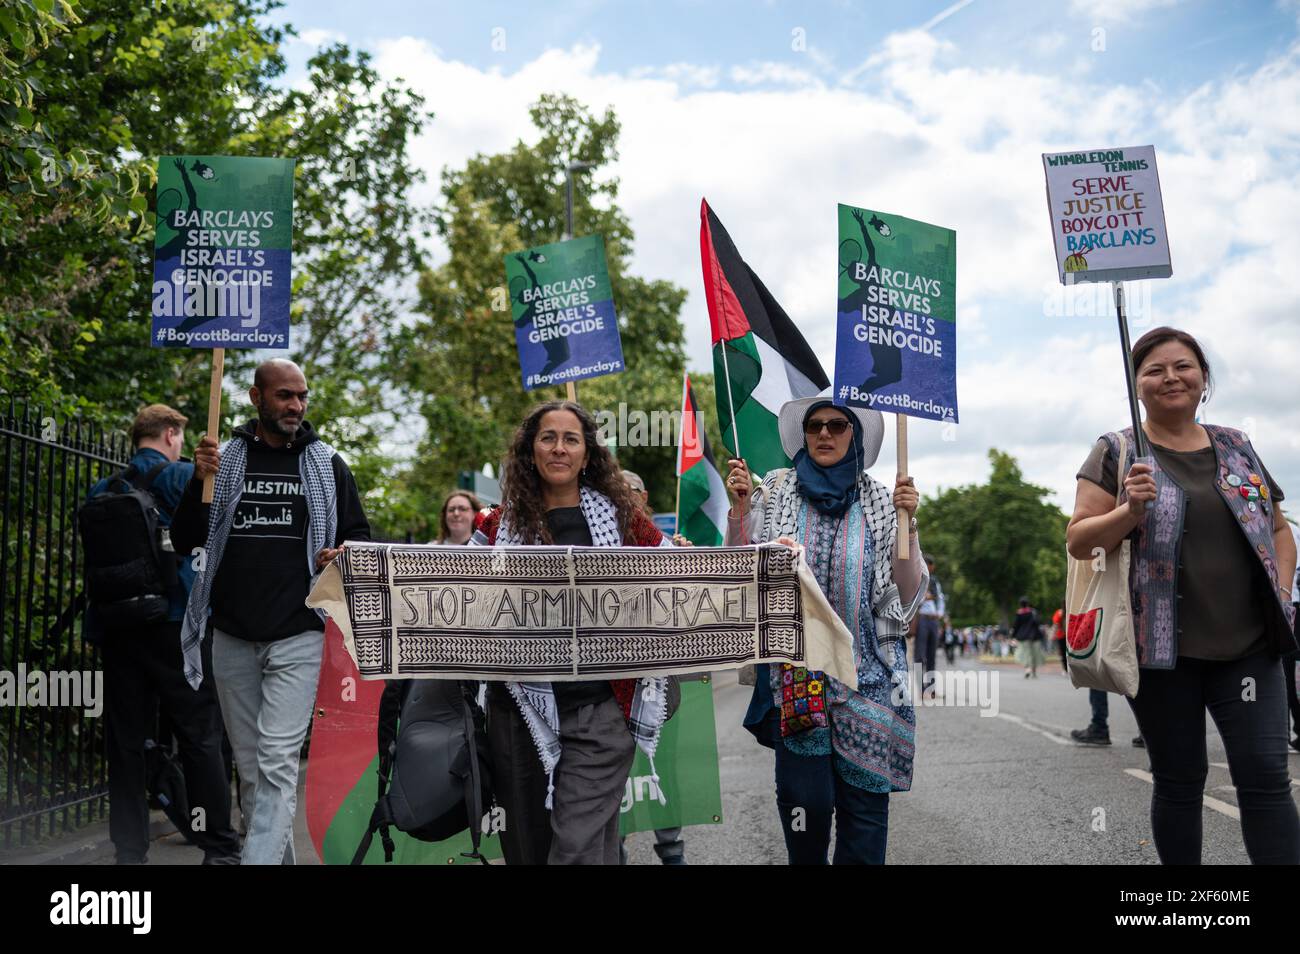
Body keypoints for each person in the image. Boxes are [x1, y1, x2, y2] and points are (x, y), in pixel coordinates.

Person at [1066, 326, 1298, 864]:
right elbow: (1079, 540)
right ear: (1136, 384)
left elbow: (1280, 531)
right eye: (1154, 369)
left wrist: (1282, 591)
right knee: (1179, 781)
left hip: (1251, 646)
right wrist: (1129, 511)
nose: (1170, 377)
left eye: (1183, 366)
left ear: (1203, 378)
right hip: (1159, 654)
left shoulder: (1238, 445)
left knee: (1266, 779)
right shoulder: (1117, 450)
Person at [172, 359, 371, 864]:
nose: (296, 406)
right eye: (284, 395)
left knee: (278, 762)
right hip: (232, 636)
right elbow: (186, 540)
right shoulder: (225, 459)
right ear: (256, 397)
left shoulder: (326, 464)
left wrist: (340, 554)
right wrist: (200, 483)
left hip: (298, 634)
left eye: (301, 396)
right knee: (252, 768)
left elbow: (359, 540)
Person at [725, 392, 927, 864]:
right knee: (806, 808)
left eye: (838, 426)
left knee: (865, 815)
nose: (824, 434)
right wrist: (739, 511)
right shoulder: (775, 490)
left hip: (868, 682)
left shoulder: (881, 498)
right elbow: (740, 566)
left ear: (853, 436)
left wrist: (908, 524)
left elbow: (906, 590)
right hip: (797, 678)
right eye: (816, 425)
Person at [472, 401, 674, 865]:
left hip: (603, 710)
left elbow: (690, 573)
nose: (558, 448)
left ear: (588, 454)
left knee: (575, 848)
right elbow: (444, 585)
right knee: (544, 849)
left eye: (571, 439)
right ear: (530, 450)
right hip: (523, 712)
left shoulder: (625, 521)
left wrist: (764, 551)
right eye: (548, 437)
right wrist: (354, 565)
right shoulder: (497, 525)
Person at [87, 404, 240, 865]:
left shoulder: (102, 489)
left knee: (127, 745)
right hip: (176, 625)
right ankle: (219, 847)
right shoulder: (181, 478)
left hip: (117, 629)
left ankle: (129, 854)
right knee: (200, 736)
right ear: (172, 434)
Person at [619, 468, 687, 866]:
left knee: (664, 768)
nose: (623, 496)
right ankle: (616, 851)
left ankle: (672, 850)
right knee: (611, 775)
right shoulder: (598, 541)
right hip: (611, 685)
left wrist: (683, 560)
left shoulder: (666, 546)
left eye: (630, 490)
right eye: (616, 490)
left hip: (661, 686)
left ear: (644, 497)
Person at [1011, 597, 1044, 678]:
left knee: (1025, 653)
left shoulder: (1019, 613)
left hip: (1023, 636)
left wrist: (1013, 636)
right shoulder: (1033, 612)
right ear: (1028, 603)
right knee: (1034, 653)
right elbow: (1037, 623)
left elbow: (1016, 625)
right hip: (1034, 635)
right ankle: (1034, 671)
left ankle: (1027, 669)